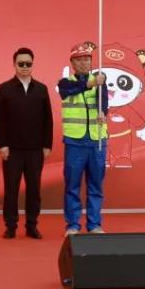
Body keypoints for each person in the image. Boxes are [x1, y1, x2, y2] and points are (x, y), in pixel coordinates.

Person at [0, 47, 54, 240]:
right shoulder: (4, 89)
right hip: (12, 150)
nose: (25, 67)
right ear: (14, 65)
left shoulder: (41, 89)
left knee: (34, 189)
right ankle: (10, 226)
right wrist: (2, 145)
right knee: (11, 190)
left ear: (33, 64)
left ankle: (32, 225)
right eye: (21, 64)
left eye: (28, 63)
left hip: (36, 149)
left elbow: (48, 119)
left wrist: (47, 145)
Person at [57, 42, 109, 235]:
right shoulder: (65, 82)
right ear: (72, 63)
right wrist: (90, 84)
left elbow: (104, 103)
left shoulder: (100, 81)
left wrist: (103, 112)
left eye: (86, 59)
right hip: (75, 142)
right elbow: (70, 91)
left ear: (91, 62)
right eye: (78, 60)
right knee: (72, 185)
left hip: (97, 141)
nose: (83, 63)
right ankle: (72, 225)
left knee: (96, 186)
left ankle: (94, 224)